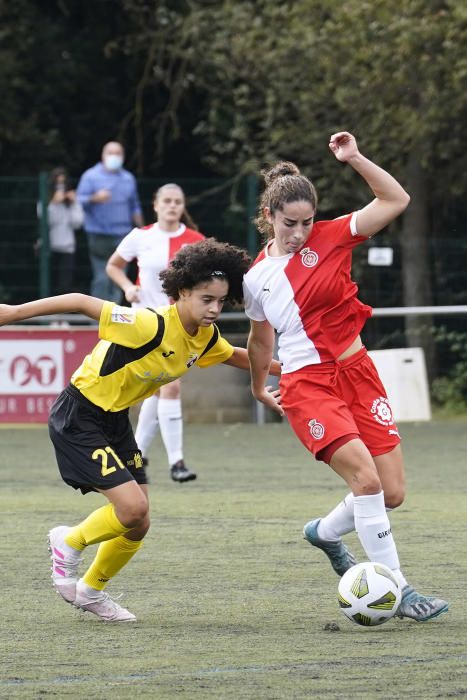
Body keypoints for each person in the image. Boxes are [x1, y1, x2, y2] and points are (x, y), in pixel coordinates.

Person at [0, 239, 280, 622]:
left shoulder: (204, 336)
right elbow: (82, 301)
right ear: (183, 291)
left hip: (115, 421)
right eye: (205, 299)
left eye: (221, 300)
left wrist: (297, 369)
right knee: (132, 508)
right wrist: (13, 312)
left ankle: (91, 591)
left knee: (139, 522)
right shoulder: (148, 324)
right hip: (79, 414)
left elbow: (234, 355)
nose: (215, 308)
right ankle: (67, 540)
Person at [243, 131, 449, 623]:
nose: (298, 232)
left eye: (306, 222)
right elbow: (260, 341)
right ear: (269, 217)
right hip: (307, 386)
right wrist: (256, 386)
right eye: (289, 223)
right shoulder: (255, 278)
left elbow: (396, 199)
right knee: (365, 479)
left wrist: (355, 159)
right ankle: (399, 591)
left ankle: (326, 533)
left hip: (358, 373)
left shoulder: (333, 236)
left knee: (391, 491)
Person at [106, 183, 205, 483]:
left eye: (178, 201)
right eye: (167, 201)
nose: (172, 206)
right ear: (156, 205)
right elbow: (113, 266)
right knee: (166, 386)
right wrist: (128, 288)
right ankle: (176, 463)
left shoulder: (195, 242)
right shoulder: (140, 237)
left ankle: (137, 452)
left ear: (182, 205)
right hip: (145, 322)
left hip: (178, 326)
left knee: (159, 386)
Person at [76, 141, 143, 301]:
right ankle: (98, 316)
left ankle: (115, 317)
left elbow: (135, 206)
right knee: (102, 277)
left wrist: (142, 229)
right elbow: (78, 201)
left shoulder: (128, 178)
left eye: (118, 153)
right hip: (98, 235)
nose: (114, 157)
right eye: (111, 153)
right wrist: (95, 198)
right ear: (103, 155)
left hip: (123, 236)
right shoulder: (90, 176)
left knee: (119, 278)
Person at [37, 168, 84, 295]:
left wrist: (75, 203)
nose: (60, 189)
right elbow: (46, 222)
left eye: (63, 185)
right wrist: (53, 203)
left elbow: (77, 223)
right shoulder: (45, 201)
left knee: (65, 284)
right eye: (58, 185)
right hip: (49, 248)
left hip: (67, 248)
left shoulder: (70, 203)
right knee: (49, 284)